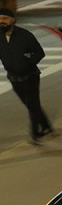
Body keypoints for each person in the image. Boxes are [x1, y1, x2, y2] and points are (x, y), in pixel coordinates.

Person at [0, 9, 51, 143]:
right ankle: (46, 125)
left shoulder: (24, 35)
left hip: (30, 76)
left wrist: (27, 63)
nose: (1, 21)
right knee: (29, 104)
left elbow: (39, 53)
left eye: (5, 18)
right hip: (13, 78)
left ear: (13, 20)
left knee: (33, 105)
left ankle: (35, 134)